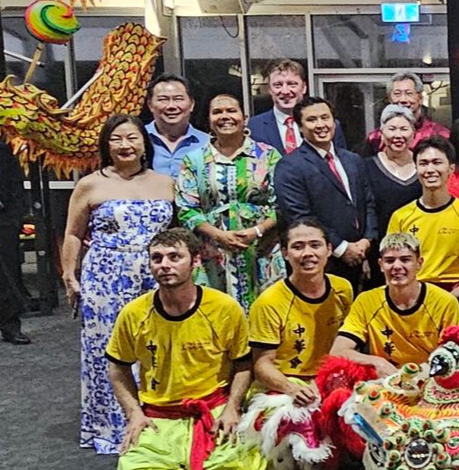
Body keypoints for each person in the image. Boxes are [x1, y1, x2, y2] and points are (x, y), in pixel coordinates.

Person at [101, 228, 276, 470]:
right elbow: (117, 368)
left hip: (213, 410)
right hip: (160, 415)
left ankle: (204, 468)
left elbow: (243, 363)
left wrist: (233, 407)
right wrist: (134, 414)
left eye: (174, 257)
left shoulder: (223, 307)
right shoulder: (133, 313)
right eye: (157, 258)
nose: (164, 264)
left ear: (195, 261)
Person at [62, 114, 177, 453]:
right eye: (116, 139)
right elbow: (73, 233)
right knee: (109, 349)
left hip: (156, 275)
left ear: (145, 143)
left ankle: (158, 419)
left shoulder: (165, 182)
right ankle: (110, 428)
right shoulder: (90, 184)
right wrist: (70, 275)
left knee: (156, 346)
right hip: (105, 278)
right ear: (106, 145)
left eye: (132, 138)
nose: (125, 145)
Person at [173, 92, 284, 310]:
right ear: (209, 120)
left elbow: (282, 204)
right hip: (213, 255)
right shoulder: (194, 160)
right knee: (216, 317)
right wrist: (219, 235)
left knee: (267, 319)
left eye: (231, 110)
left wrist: (257, 231)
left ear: (245, 117)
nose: (225, 116)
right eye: (217, 112)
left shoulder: (268, 156)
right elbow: (186, 209)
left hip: (262, 252)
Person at [248, 218, 355, 408]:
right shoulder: (268, 302)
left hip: (331, 377)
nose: (308, 253)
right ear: (285, 253)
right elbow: (261, 365)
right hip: (285, 384)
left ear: (329, 249)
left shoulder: (343, 288)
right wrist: (292, 389)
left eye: (315, 245)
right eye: (298, 247)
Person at [274, 96, 375, 289]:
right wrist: (341, 248)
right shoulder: (289, 166)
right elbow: (300, 216)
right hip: (321, 263)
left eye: (325, 118)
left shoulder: (353, 160)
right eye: (312, 120)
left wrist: (366, 241)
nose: (320, 125)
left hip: (361, 258)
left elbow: (368, 203)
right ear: (300, 127)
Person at [330, 231, 459, 373]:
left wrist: (419, 373)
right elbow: (338, 350)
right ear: (381, 265)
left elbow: (458, 352)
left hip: (432, 377)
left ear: (419, 263)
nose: (397, 266)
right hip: (385, 383)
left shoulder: (445, 302)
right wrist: (376, 361)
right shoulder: (366, 301)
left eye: (405, 260)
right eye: (389, 261)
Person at [386, 136, 459, 299]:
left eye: (437, 162)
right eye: (423, 164)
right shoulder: (400, 216)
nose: (430, 169)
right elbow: (392, 266)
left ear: (451, 169)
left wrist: (449, 298)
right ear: (416, 169)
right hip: (414, 297)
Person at [247, 59, 346, 152]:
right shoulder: (254, 126)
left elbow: (339, 161)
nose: (285, 91)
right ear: (270, 90)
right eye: (278, 85)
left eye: (292, 84)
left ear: (304, 88)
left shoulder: (328, 125)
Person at [362, 105, 422, 230]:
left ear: (413, 134)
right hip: (379, 241)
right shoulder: (366, 167)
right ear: (382, 134)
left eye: (404, 129)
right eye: (392, 129)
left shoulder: (424, 164)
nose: (398, 135)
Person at [143, 75, 209, 177]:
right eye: (163, 99)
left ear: (191, 104)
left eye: (178, 99)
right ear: (150, 105)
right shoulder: (138, 140)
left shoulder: (208, 143)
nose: (171, 106)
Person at [365, 71, 448, 151]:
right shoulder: (376, 138)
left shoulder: (439, 134)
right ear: (390, 99)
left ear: (420, 98)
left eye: (409, 93)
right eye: (397, 94)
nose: (403, 100)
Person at [0, 141, 29, 345]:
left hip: (3, 218)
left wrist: (14, 219)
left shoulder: (2, 149)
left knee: (8, 272)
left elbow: (15, 183)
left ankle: (10, 326)